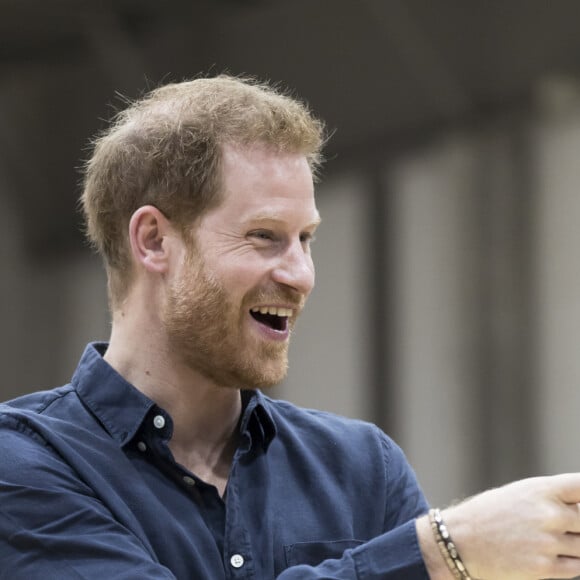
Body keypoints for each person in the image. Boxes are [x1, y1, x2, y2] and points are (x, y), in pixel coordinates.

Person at [1, 75, 580, 580]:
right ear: (154, 240)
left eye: (306, 239)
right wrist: (438, 552)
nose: (301, 275)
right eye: (264, 236)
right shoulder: (27, 464)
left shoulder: (361, 468)